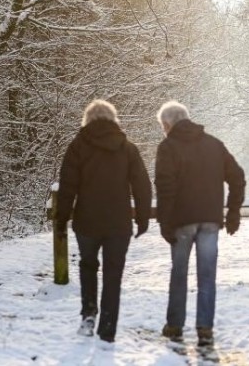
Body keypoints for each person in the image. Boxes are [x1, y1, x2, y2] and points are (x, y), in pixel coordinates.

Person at [55, 99, 152, 343]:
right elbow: (141, 184)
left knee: (88, 265)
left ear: (87, 119)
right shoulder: (127, 147)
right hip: (118, 222)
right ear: (113, 119)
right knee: (113, 273)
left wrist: (61, 218)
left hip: (87, 220)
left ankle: (88, 315)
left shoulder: (78, 146)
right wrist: (142, 217)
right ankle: (108, 328)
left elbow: (68, 185)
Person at [154, 101, 246, 347]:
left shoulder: (167, 147)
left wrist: (165, 221)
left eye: (163, 126)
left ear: (167, 124)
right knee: (207, 275)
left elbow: (165, 187)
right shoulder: (214, 145)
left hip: (182, 221)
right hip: (210, 220)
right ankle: (205, 328)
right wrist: (233, 211)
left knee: (179, 274)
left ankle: (174, 326)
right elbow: (238, 177)